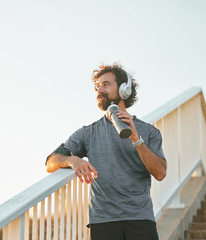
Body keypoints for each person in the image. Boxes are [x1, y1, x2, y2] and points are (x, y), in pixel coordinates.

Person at [45, 63, 167, 240]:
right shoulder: (88, 132)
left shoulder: (149, 132)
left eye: (106, 84)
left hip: (140, 219)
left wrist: (135, 139)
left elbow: (161, 173)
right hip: (103, 221)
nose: (99, 90)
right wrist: (73, 161)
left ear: (125, 90)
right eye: (98, 86)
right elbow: (50, 162)